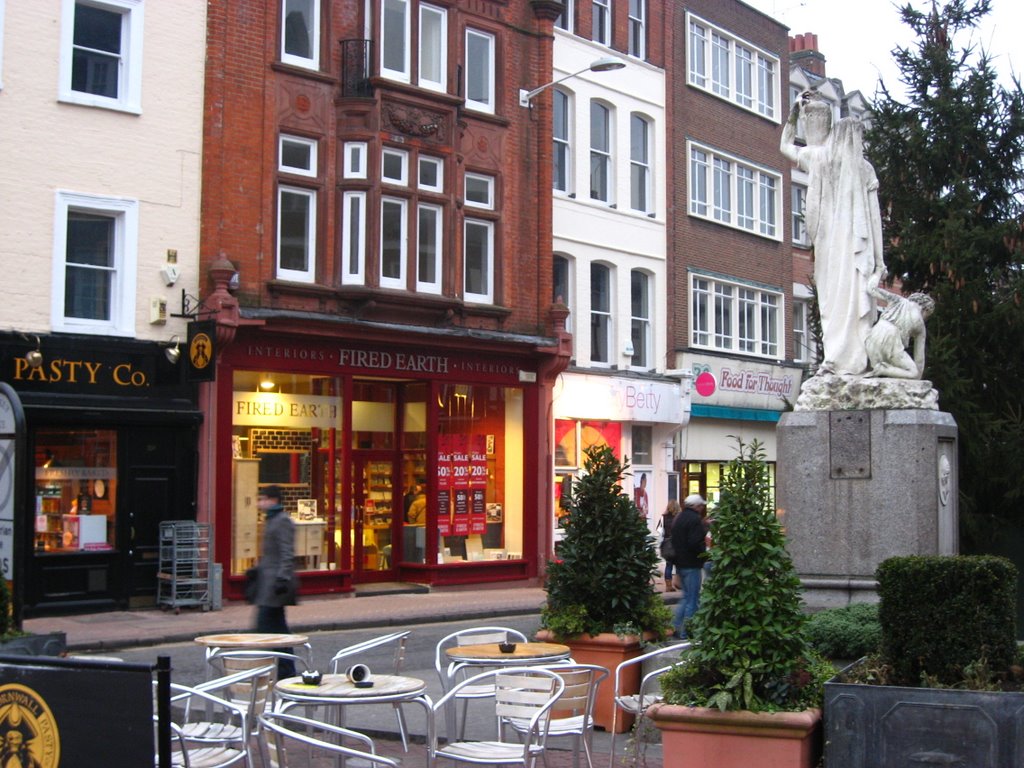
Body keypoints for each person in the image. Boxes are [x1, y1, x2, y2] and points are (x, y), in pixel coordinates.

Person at [780, 91, 886, 376]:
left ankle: (837, 359)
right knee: (847, 302)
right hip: (853, 249)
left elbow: (785, 146)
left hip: (829, 246)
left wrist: (793, 114)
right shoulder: (863, 168)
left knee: (831, 303)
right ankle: (848, 360)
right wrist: (879, 260)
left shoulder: (820, 157)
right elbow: (875, 220)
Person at [253, 484, 298, 679]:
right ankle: (282, 671)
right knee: (276, 629)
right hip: (268, 585)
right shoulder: (271, 520)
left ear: (273, 500)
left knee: (268, 627)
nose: (259, 503)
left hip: (275, 587)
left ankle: (283, 671)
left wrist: (282, 578)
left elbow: (287, 553)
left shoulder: (282, 521)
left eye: (262, 499)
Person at [864, 274, 935, 379]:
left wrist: (879, 272)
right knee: (913, 372)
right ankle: (882, 369)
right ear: (926, 309)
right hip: (892, 342)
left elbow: (871, 288)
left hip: (872, 338)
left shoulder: (897, 300)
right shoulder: (920, 325)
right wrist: (917, 378)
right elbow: (919, 359)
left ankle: (880, 368)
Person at [670, 494, 708, 639]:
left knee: (686, 598)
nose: (702, 508)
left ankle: (677, 627)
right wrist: (703, 552)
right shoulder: (694, 520)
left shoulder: (679, 518)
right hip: (692, 563)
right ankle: (686, 631)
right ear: (696, 506)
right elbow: (694, 543)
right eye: (701, 506)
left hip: (680, 563)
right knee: (692, 599)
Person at [658, 499, 681, 591]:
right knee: (679, 565)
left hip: (667, 544)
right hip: (678, 544)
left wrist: (661, 544)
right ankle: (679, 583)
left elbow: (660, 531)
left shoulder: (663, 517)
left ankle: (668, 586)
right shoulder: (680, 517)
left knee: (669, 565)